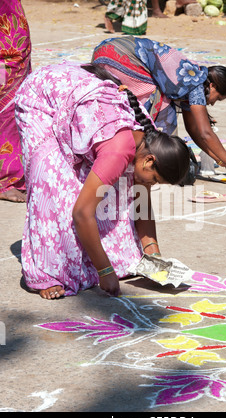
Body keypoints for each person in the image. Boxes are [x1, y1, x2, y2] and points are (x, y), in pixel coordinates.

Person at [14, 61, 190, 300]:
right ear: (149, 161)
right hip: (43, 97)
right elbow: (82, 213)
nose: (152, 185)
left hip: (75, 95)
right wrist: (105, 271)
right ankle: (48, 274)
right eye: (155, 180)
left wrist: (154, 257)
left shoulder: (148, 138)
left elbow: (141, 204)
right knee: (54, 185)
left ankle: (106, 258)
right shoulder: (120, 150)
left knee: (119, 188)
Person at [92, 36, 226, 184]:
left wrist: (218, 159)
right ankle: (140, 159)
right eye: (217, 98)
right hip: (120, 57)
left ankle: (114, 150)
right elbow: (205, 133)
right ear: (212, 86)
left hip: (105, 51)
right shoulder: (197, 84)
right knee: (160, 107)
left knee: (128, 105)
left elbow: (194, 131)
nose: (213, 103)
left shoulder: (190, 82)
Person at [0, 0, 31, 203]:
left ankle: (12, 174)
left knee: (13, 112)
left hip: (14, 50)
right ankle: (5, 180)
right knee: (5, 114)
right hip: (6, 55)